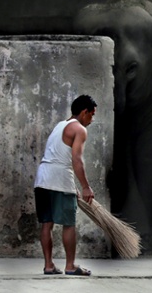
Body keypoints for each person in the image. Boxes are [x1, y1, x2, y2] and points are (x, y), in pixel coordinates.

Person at [34, 95, 97, 276]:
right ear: (84, 112)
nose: (91, 120)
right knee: (69, 224)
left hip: (43, 178)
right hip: (60, 178)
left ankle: (48, 265)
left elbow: (57, 155)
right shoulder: (79, 129)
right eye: (91, 115)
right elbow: (76, 159)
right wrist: (85, 186)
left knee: (47, 223)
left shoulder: (59, 125)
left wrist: (74, 186)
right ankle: (70, 266)